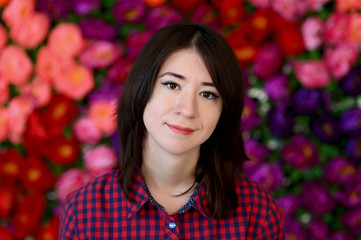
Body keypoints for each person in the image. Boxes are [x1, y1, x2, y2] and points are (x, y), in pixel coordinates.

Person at [59, 23, 284, 239]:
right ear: (142, 89)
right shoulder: (85, 212)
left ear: (224, 111)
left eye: (208, 94)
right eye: (172, 85)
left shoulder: (257, 212)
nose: (187, 110)